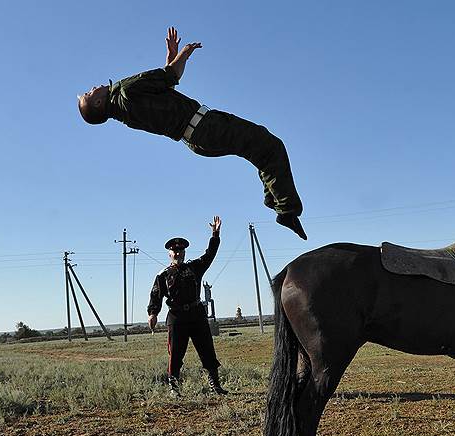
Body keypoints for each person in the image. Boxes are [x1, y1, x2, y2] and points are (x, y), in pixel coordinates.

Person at [78, 27, 306, 239]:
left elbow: (164, 88)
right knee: (270, 146)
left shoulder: (123, 110)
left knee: (261, 150)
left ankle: (276, 201)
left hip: (196, 139)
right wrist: (185, 53)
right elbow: (171, 75)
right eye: (89, 93)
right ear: (98, 102)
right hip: (206, 126)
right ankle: (285, 209)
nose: (92, 88)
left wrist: (172, 57)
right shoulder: (125, 91)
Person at [148, 216, 228, 397]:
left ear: (184, 253)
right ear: (169, 253)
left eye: (181, 251)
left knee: (207, 350)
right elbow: (156, 295)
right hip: (176, 318)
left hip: (197, 315)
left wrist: (215, 234)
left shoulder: (195, 267)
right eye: (174, 251)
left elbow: (210, 254)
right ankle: (174, 389)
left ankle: (215, 385)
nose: (178, 253)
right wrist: (153, 313)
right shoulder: (163, 275)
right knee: (175, 354)